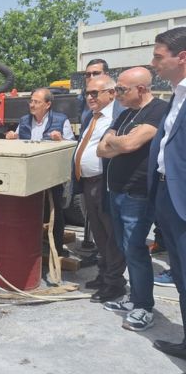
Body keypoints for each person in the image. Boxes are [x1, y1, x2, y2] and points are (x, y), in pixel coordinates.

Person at [96, 68, 167, 331]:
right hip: (115, 190)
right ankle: (135, 296)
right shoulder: (126, 114)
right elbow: (101, 149)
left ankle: (144, 306)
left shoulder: (158, 110)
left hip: (136, 193)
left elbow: (127, 145)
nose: (117, 95)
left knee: (135, 249)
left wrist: (116, 141)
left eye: (122, 90)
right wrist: (117, 141)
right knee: (125, 247)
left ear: (142, 89)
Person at [148, 27, 186, 358]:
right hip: (166, 196)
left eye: (159, 57)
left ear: (182, 57)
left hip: (182, 201)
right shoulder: (176, 95)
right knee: (182, 277)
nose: (154, 63)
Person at [72, 75, 126, 302]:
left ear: (111, 93)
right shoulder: (91, 116)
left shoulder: (118, 116)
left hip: (104, 185)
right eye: (87, 93)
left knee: (111, 236)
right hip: (88, 184)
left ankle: (114, 283)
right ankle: (105, 275)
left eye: (95, 93)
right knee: (99, 235)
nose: (89, 97)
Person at [6, 88, 74, 257]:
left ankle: (56, 250)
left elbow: (72, 145)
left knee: (55, 211)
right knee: (29, 211)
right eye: (31, 101)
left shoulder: (61, 120)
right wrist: (12, 137)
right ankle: (30, 247)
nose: (32, 105)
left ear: (48, 104)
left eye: (36, 102)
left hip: (52, 174)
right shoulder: (24, 120)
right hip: (29, 174)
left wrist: (61, 140)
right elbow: (18, 139)